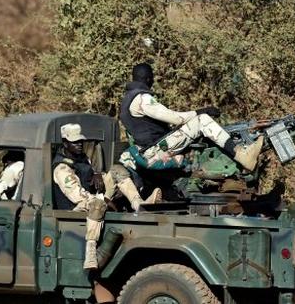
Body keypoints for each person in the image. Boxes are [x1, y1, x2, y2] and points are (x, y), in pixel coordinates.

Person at [52, 123, 160, 270]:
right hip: (76, 208)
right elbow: (78, 196)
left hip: (94, 198)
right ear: (65, 143)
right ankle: (90, 252)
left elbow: (89, 178)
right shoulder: (61, 168)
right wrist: (104, 200)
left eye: (81, 141)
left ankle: (139, 205)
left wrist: (98, 174)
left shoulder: (82, 158)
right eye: (74, 142)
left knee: (117, 170)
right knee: (97, 204)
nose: (79, 145)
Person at [119, 63, 263, 172]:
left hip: (148, 148)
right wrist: (201, 111)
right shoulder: (142, 99)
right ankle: (242, 155)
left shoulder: (127, 100)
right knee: (202, 120)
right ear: (149, 79)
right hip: (156, 149)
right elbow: (176, 119)